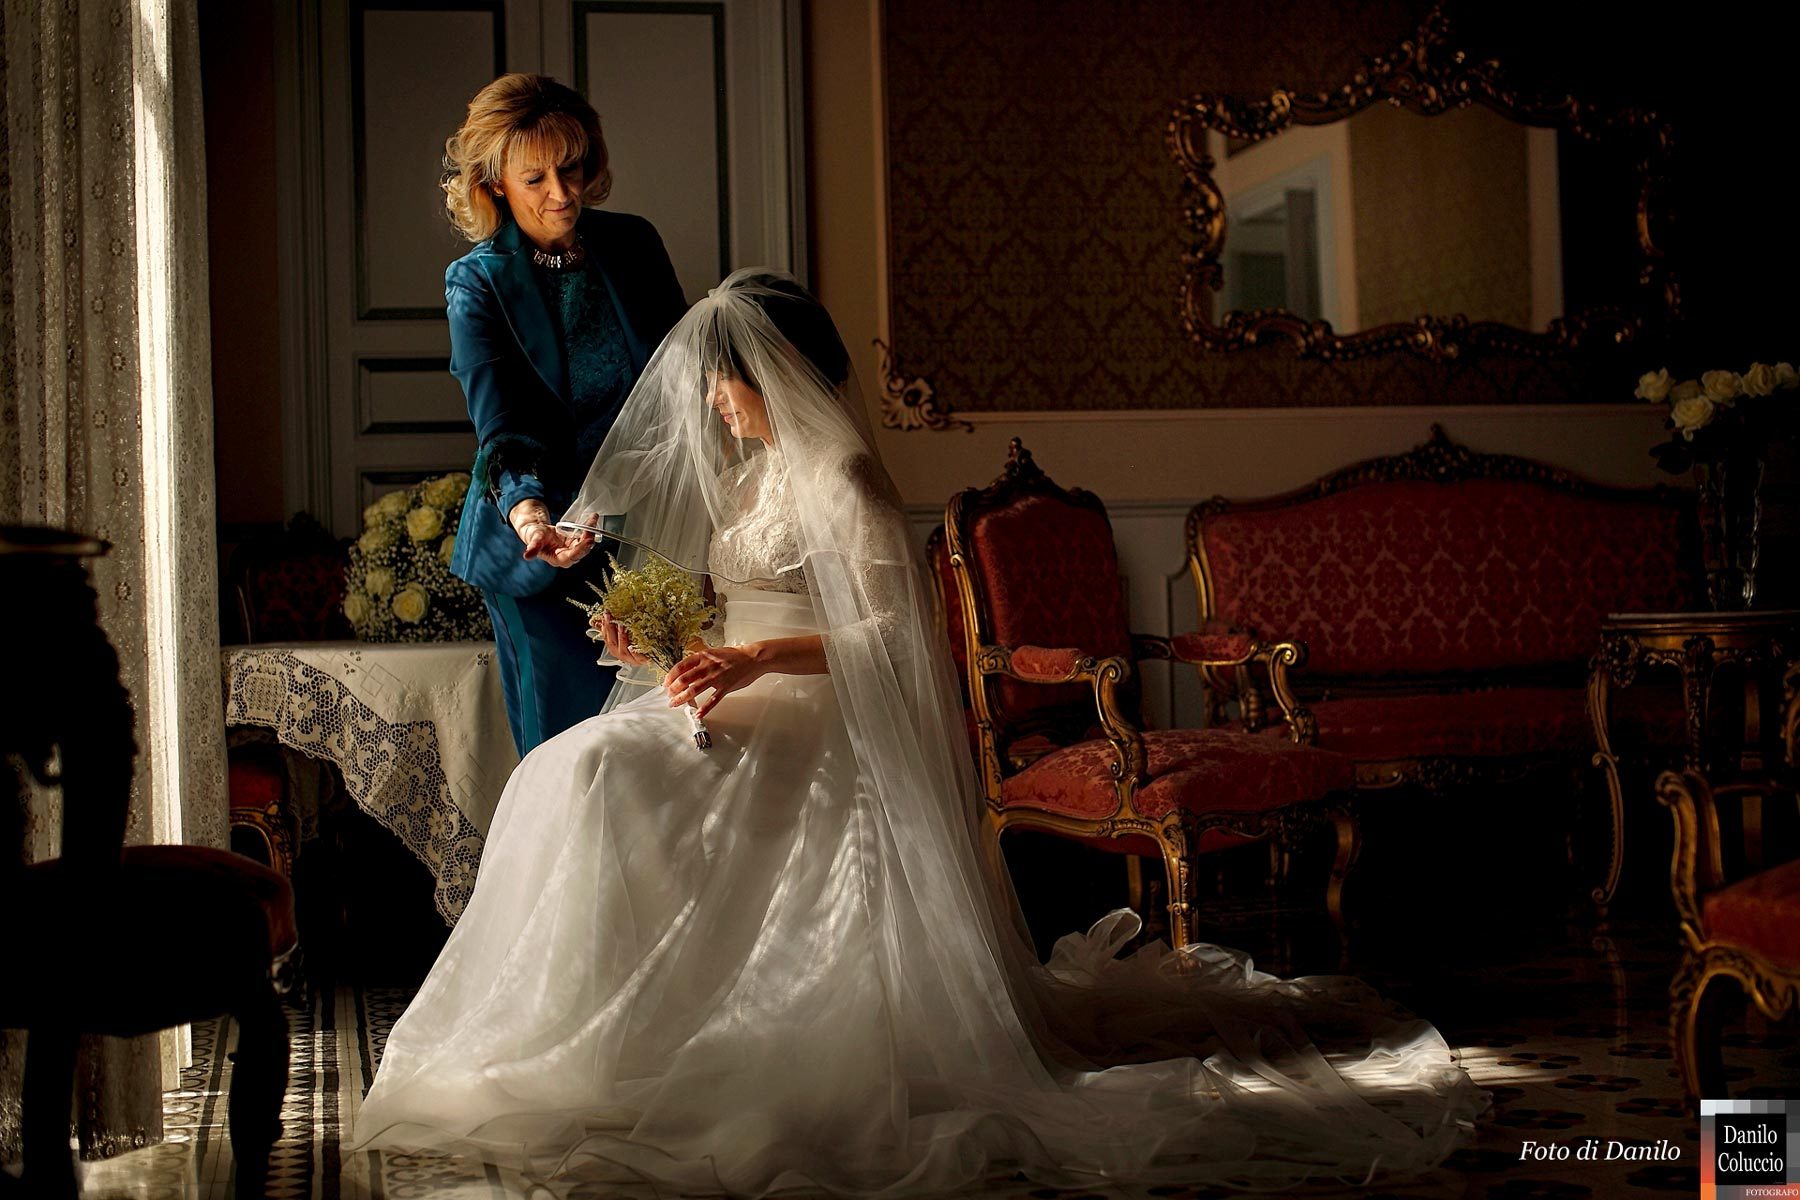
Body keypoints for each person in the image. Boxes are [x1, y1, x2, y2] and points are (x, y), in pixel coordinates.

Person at [352, 270, 1486, 1196]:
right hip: (734, 695)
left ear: (774, 371)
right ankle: (611, 1032)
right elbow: (720, 610)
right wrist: (666, 644)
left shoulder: (841, 475)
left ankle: (671, 1038)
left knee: (599, 777)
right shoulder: (748, 481)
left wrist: (754, 661)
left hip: (814, 712)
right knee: (571, 770)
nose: (712, 404)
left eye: (724, 383)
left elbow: (891, 636)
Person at [439, 72, 687, 754]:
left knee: (661, 754)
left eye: (571, 168)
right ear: (495, 183)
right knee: (568, 757)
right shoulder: (477, 282)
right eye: (535, 178)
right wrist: (531, 516)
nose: (562, 192)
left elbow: (681, 377)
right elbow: (501, 426)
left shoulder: (633, 245)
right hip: (540, 553)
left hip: (644, 539)